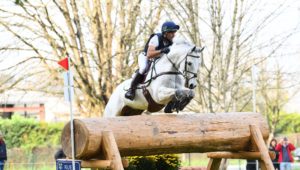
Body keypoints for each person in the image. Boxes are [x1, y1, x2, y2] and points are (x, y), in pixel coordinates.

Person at [125, 21, 180, 100]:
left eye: (174, 32)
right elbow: (149, 54)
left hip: (158, 59)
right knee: (143, 68)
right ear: (165, 32)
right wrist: (161, 51)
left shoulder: (171, 42)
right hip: (146, 57)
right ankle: (131, 90)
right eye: (171, 32)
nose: (173, 34)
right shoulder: (156, 38)